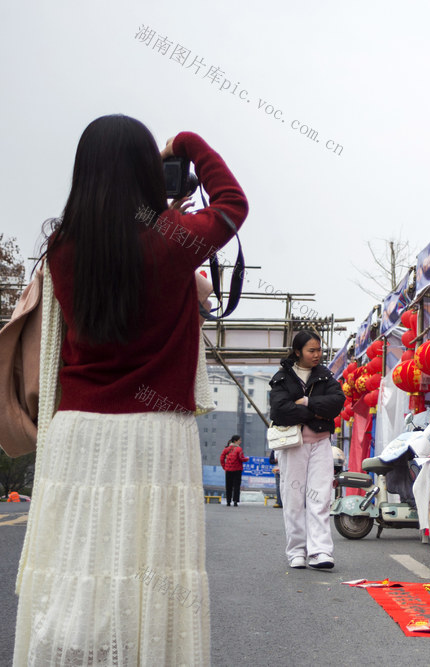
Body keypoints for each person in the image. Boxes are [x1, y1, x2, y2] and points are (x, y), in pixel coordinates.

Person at [13, 115, 248, 664]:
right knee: (148, 573)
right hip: (154, 436)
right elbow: (233, 204)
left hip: (77, 433)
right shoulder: (171, 241)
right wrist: (188, 144)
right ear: (150, 170)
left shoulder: (63, 250)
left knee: (77, 573)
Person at [269, 330, 345, 569]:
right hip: (292, 445)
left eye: (319, 350)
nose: (317, 354)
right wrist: (317, 412)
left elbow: (338, 403)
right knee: (293, 498)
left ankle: (321, 551)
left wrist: (308, 403)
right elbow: (280, 410)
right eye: (311, 350)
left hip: (321, 443)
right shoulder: (282, 377)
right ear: (297, 351)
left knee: (320, 497)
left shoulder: (325, 376)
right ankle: (296, 551)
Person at [220, 435, 248, 506]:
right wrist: (246, 459)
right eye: (239, 440)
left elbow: (221, 458)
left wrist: (224, 467)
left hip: (228, 470)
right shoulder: (239, 449)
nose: (240, 442)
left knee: (228, 486)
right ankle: (235, 501)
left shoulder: (227, 449)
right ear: (236, 441)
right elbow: (241, 458)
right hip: (237, 470)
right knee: (236, 486)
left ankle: (228, 501)